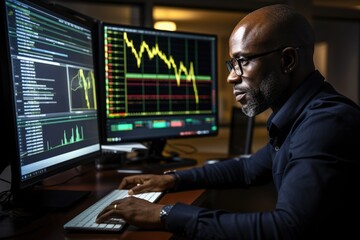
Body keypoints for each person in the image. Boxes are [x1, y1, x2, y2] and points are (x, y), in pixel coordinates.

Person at [96, 4, 360, 239]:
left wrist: (165, 214)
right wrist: (173, 180)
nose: (231, 77)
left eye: (242, 61)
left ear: (287, 60)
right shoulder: (298, 119)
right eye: (231, 64)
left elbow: (288, 227)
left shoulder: (325, 123)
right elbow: (247, 170)